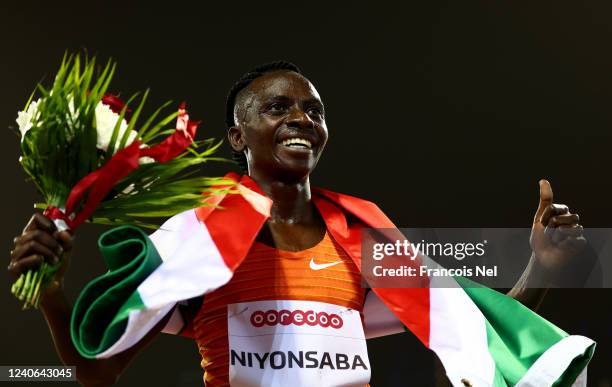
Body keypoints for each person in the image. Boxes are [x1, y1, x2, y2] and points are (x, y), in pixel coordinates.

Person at [8, 61, 589, 386]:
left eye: (314, 110)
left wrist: (544, 264)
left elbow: (478, 337)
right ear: (238, 136)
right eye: (278, 107)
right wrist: (55, 294)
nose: (301, 119)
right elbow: (94, 372)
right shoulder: (195, 240)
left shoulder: (363, 235)